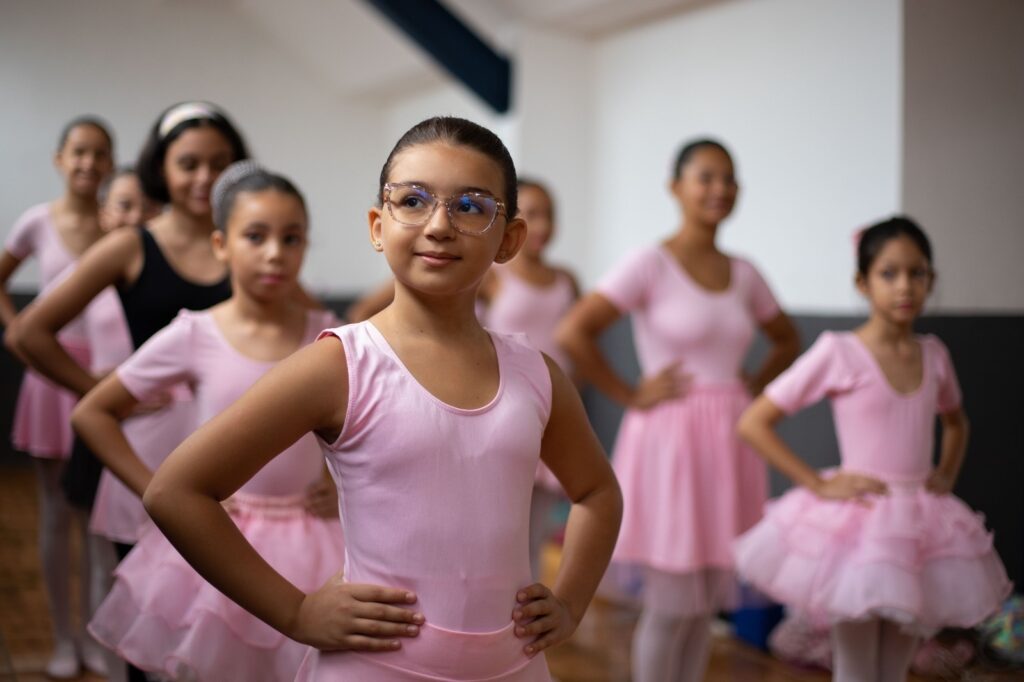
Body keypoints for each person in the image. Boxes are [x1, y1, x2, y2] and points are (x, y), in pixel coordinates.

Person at [143, 116, 623, 681]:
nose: (439, 225)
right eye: (413, 200)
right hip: (375, 666)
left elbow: (597, 491)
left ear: (509, 238)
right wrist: (295, 612)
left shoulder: (536, 375)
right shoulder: (340, 365)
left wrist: (570, 601)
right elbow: (176, 491)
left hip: (513, 666)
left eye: (471, 206)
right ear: (378, 225)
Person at [74, 162, 344, 681]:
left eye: (292, 239)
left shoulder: (331, 338)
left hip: (314, 537)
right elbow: (94, 412)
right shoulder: (196, 333)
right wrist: (158, 488)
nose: (274, 253)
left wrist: (338, 484)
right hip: (221, 533)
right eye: (256, 236)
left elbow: (358, 427)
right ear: (221, 245)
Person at [8, 101, 245, 682]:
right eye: (188, 163)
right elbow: (28, 332)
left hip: (234, 448)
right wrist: (104, 389)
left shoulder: (247, 240)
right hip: (148, 449)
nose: (204, 177)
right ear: (160, 168)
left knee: (223, 620)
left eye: (220, 163)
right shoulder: (132, 245)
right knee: (149, 620)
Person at [556, 139, 800, 682]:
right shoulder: (650, 263)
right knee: (670, 608)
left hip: (731, 440)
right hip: (669, 439)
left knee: (700, 610)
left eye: (729, 179)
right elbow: (574, 330)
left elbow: (787, 339)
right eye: (706, 177)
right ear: (676, 188)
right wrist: (629, 392)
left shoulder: (745, 272)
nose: (720, 189)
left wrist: (749, 385)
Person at [734, 217, 1011, 682]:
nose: (904, 285)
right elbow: (754, 422)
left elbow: (956, 422)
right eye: (889, 273)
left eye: (916, 273)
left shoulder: (934, 354)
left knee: (896, 668)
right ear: (862, 282)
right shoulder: (838, 351)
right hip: (856, 527)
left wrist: (944, 474)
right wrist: (818, 483)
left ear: (931, 279)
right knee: (856, 668)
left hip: (917, 524)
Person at [0, 116, 114, 679]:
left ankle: (95, 637)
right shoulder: (36, 222)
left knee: (97, 518)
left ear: (111, 164)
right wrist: (16, 335)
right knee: (54, 514)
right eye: (79, 152)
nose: (88, 163)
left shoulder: (118, 226)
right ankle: (62, 638)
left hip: (106, 379)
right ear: (59, 159)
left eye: (99, 154)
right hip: (51, 376)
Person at [480, 178, 579, 578]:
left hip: (553, 413)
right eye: (532, 214)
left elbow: (574, 346)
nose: (543, 225)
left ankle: (525, 626)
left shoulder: (567, 279)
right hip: (502, 412)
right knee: (497, 532)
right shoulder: (491, 275)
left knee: (535, 536)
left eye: (549, 215)